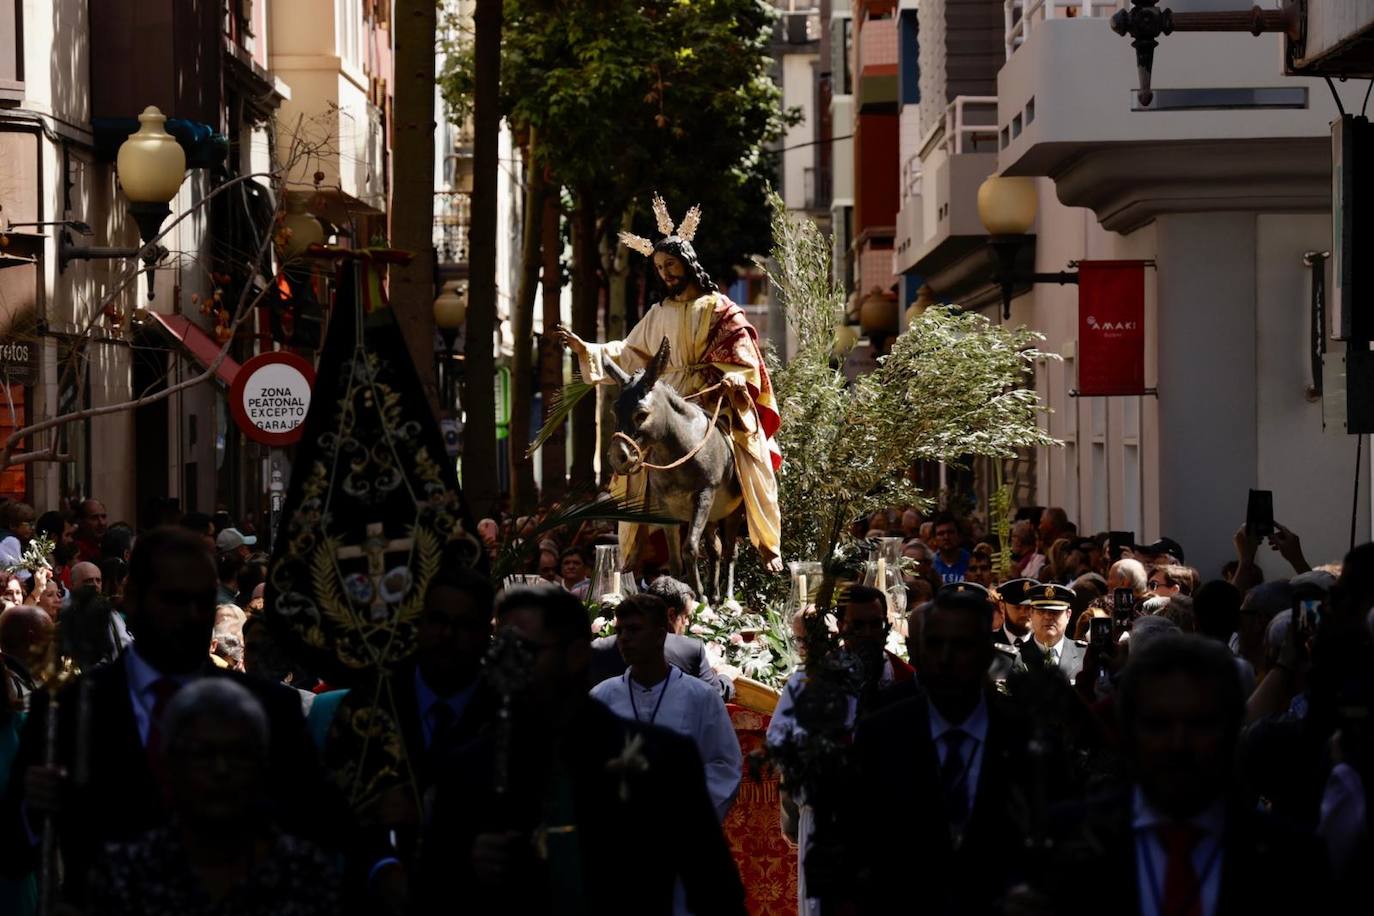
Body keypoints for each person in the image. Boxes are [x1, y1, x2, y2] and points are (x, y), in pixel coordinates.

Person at [3, 527, 354, 906]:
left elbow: (322, 831)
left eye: (202, 601)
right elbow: (14, 853)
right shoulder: (68, 710)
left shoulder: (271, 708)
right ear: (133, 599)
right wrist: (32, 808)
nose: (190, 616)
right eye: (173, 599)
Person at [418, 586, 747, 915]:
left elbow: (716, 895)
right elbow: (430, 890)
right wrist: (468, 863)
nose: (509, 666)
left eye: (525, 650)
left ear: (576, 654)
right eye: (500, 651)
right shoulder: (468, 767)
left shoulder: (663, 760)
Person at [558, 198, 783, 573]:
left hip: (711, 398)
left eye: (671, 265)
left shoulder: (719, 308)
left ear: (688, 263)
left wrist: (734, 376)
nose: (665, 273)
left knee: (749, 451)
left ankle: (762, 534)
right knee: (635, 462)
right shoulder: (658, 313)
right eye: (660, 268)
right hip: (665, 400)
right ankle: (633, 552)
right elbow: (628, 352)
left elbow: (744, 355)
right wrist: (589, 350)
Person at [1049, 634, 1329, 916]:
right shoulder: (1065, 842)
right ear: (1130, 732)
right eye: (1159, 724)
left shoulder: (1292, 858)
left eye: (1199, 724)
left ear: (1230, 731)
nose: (1178, 744)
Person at [840, 581, 1029, 913]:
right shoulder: (882, 735)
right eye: (934, 643)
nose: (945, 658)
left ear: (987, 652)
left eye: (961, 645)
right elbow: (857, 848)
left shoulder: (1023, 736)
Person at [85, 679, 342, 916]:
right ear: (171, 766)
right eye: (202, 755)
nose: (221, 770)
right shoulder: (128, 872)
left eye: (237, 754)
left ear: (262, 765)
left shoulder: (304, 874)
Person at [591, 594, 741, 821]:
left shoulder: (701, 697)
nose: (624, 639)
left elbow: (724, 766)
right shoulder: (601, 697)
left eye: (634, 630)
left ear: (660, 635)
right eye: (619, 631)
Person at [589, 577, 731, 699]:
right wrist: (725, 675)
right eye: (686, 616)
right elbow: (715, 695)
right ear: (671, 615)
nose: (687, 623)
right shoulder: (689, 650)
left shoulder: (599, 648)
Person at [1017, 583, 1086, 682]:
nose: (1048, 617)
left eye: (1055, 612)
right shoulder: (1016, 657)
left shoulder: (1085, 655)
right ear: (1031, 613)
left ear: (1068, 615)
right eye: (1041, 611)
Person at [0, 605, 53, 708]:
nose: (52, 644)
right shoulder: (10, 686)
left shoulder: (13, 675)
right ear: (32, 639)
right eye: (49, 637)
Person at [991, 577, 1037, 651]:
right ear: (1002, 607)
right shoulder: (988, 645)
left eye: (1028, 607)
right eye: (1017, 608)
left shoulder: (1044, 644)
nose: (1024, 613)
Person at [930, 513, 971, 584]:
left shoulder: (971, 562)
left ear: (959, 536)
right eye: (941, 534)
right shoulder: (931, 565)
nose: (946, 537)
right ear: (934, 540)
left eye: (950, 532)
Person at [72, 498, 109, 562]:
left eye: (103, 516)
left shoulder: (108, 545)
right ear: (81, 521)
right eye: (94, 518)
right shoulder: (75, 550)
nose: (101, 523)